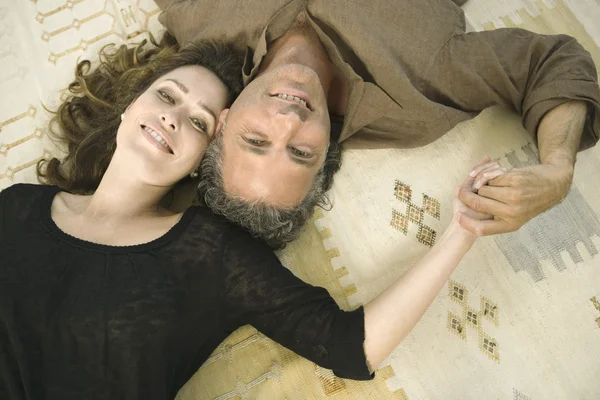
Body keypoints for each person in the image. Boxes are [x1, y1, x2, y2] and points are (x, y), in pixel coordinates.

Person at [0, 33, 506, 399]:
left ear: (207, 153)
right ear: (133, 106)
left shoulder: (208, 254)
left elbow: (352, 346)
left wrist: (460, 232)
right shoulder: (17, 207)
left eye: (197, 121)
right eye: (166, 96)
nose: (172, 117)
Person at [156, 0, 600, 248]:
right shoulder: (419, 94)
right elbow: (552, 61)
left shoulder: (201, 21)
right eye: (300, 152)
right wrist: (558, 169)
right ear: (326, 153)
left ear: (223, 122)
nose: (288, 121)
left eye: (256, 139)